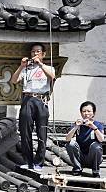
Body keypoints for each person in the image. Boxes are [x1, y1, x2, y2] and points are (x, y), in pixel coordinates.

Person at [10, 43, 55, 171]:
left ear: (43, 54)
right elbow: (14, 81)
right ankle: (28, 161)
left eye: (38, 51)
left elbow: (52, 77)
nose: (35, 54)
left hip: (41, 100)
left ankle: (39, 162)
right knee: (25, 131)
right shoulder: (26, 69)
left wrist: (40, 64)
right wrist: (21, 66)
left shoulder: (48, 67)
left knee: (42, 132)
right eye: (33, 52)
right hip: (27, 99)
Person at [65, 101, 104, 177]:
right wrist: (76, 127)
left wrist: (93, 127)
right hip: (80, 156)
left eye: (89, 111)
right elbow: (67, 139)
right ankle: (77, 168)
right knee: (70, 144)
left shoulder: (98, 124)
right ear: (81, 113)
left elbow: (101, 140)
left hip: (93, 158)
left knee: (96, 146)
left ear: (93, 113)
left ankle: (95, 171)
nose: (86, 113)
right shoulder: (77, 124)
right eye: (84, 111)